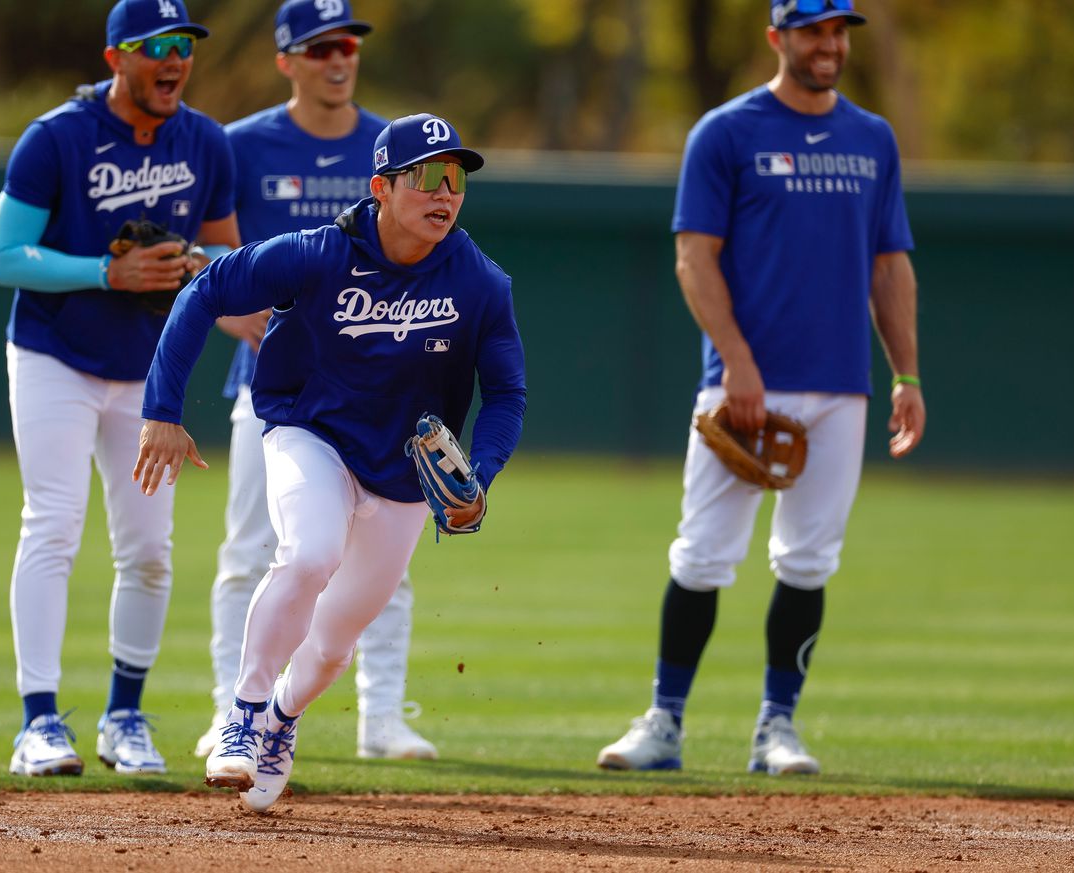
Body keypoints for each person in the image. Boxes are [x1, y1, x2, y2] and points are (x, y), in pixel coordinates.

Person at [134, 113, 526, 812]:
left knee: (336, 641)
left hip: (405, 471)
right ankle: (246, 710)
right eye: (429, 177)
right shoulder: (318, 253)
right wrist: (163, 408)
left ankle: (282, 719)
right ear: (381, 186)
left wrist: (481, 474)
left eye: (457, 177)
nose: (446, 192)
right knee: (309, 553)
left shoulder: (481, 283)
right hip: (307, 432)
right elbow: (206, 290)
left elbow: (506, 392)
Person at [598, 0, 925, 776]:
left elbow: (890, 265)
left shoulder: (872, 138)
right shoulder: (726, 132)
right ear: (777, 37)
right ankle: (664, 722)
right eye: (814, 30)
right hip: (740, 386)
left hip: (841, 384)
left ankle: (777, 726)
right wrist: (737, 361)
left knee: (810, 559)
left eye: (840, 31)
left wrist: (906, 373)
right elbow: (693, 257)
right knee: (703, 554)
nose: (830, 44)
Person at [0, 0, 240, 777]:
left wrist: (201, 267)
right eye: (155, 46)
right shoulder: (56, 137)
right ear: (114, 58)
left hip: (147, 368)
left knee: (149, 550)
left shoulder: (205, 142)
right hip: (54, 355)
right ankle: (39, 723)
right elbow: (6, 256)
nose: (174, 59)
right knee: (53, 526)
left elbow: (231, 255)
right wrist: (107, 270)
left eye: (184, 45)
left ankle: (125, 716)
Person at [192, 0, 437, 763]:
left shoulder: (389, 145)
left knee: (384, 564)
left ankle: (383, 716)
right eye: (321, 46)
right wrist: (242, 319)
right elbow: (208, 258)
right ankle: (230, 710)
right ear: (287, 60)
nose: (340, 58)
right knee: (253, 551)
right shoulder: (242, 145)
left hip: (378, 388)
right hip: (274, 384)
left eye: (349, 44)